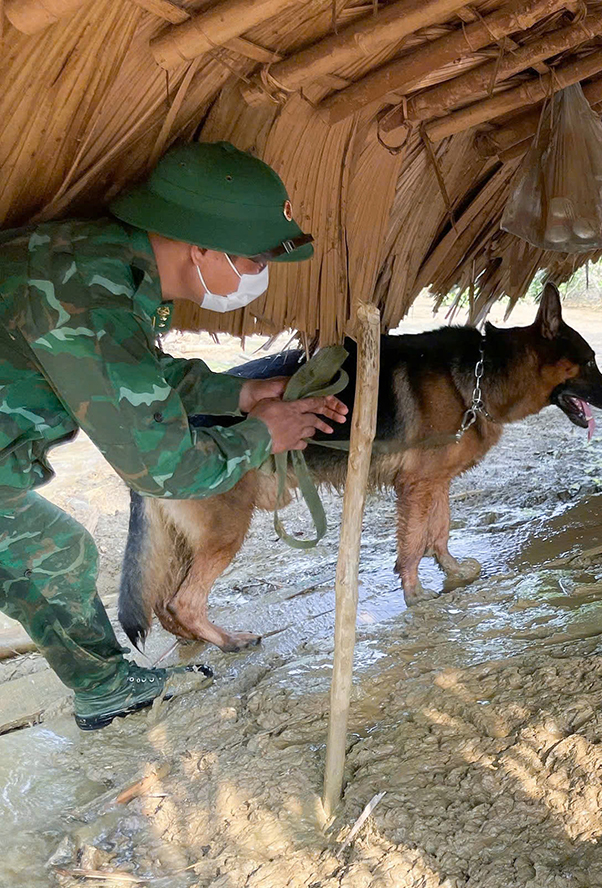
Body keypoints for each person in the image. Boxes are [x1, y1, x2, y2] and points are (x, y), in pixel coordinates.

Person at [0, 141, 348, 730]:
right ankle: (108, 687)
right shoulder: (84, 293)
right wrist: (261, 434)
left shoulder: (100, 263)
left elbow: (137, 373)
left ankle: (107, 687)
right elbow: (163, 468)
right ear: (202, 248)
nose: (259, 276)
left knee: (55, 553)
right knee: (54, 553)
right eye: (255, 261)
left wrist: (242, 395)